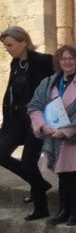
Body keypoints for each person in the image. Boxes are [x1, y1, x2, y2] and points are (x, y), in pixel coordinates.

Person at [28, 46, 76, 226]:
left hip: (75, 136)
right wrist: (43, 126)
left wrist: (65, 131)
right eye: (63, 59)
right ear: (58, 61)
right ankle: (63, 210)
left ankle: (75, 212)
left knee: (74, 174)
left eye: (71, 58)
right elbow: (34, 105)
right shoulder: (48, 82)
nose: (67, 62)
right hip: (53, 135)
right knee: (62, 175)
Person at [1, 27, 53, 220]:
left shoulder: (43, 61)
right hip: (16, 121)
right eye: (5, 46)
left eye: (10, 45)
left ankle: (41, 208)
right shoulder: (16, 63)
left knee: (28, 162)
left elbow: (53, 88)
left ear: (23, 42)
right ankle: (40, 184)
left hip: (36, 120)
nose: (8, 49)